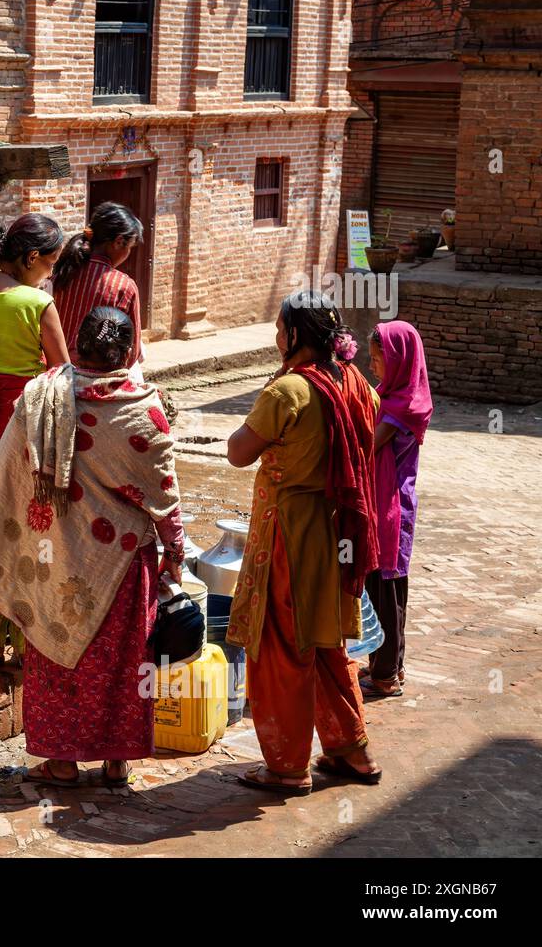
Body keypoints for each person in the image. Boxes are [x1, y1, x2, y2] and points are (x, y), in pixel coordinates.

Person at [0, 306, 185, 788]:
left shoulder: (42, 395)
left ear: (77, 343)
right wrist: (176, 551)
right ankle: (116, 761)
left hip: (54, 555)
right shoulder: (145, 411)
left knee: (54, 651)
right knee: (124, 664)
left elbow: (11, 475)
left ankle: (61, 761)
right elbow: (164, 496)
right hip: (122, 562)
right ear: (128, 351)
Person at [225, 292, 382, 795]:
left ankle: (288, 765)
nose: (275, 337)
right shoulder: (356, 382)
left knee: (282, 647)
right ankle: (351, 751)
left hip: (292, 535)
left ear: (296, 336)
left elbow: (236, 452)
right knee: (328, 641)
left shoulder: (287, 392)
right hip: (340, 533)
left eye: (279, 329)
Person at [362, 321, 432, 698]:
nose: (373, 366)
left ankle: (386, 673)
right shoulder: (390, 394)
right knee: (383, 588)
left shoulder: (401, 406)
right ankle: (388, 665)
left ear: (400, 360)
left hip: (390, 508)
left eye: (379, 359)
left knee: (386, 592)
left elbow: (367, 446)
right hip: (384, 504)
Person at [0, 214, 71, 457]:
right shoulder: (38, 302)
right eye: (51, 264)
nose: (50, 274)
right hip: (18, 417)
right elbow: (62, 374)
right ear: (32, 257)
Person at [52, 202, 145, 379]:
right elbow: (133, 355)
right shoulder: (123, 287)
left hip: (56, 372)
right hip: (96, 379)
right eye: (129, 247)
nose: (128, 253)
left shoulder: (61, 273)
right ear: (118, 241)